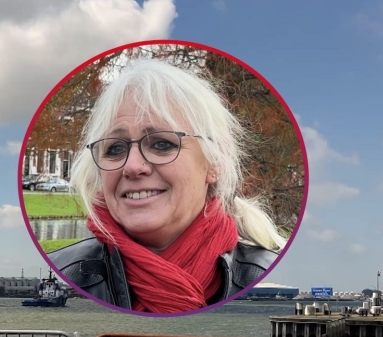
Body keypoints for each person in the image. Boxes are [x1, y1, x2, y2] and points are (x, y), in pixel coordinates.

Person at [47, 58, 285, 314]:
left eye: (162, 144)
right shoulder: (64, 272)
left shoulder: (262, 275)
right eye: (115, 149)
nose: (133, 166)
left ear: (214, 162)